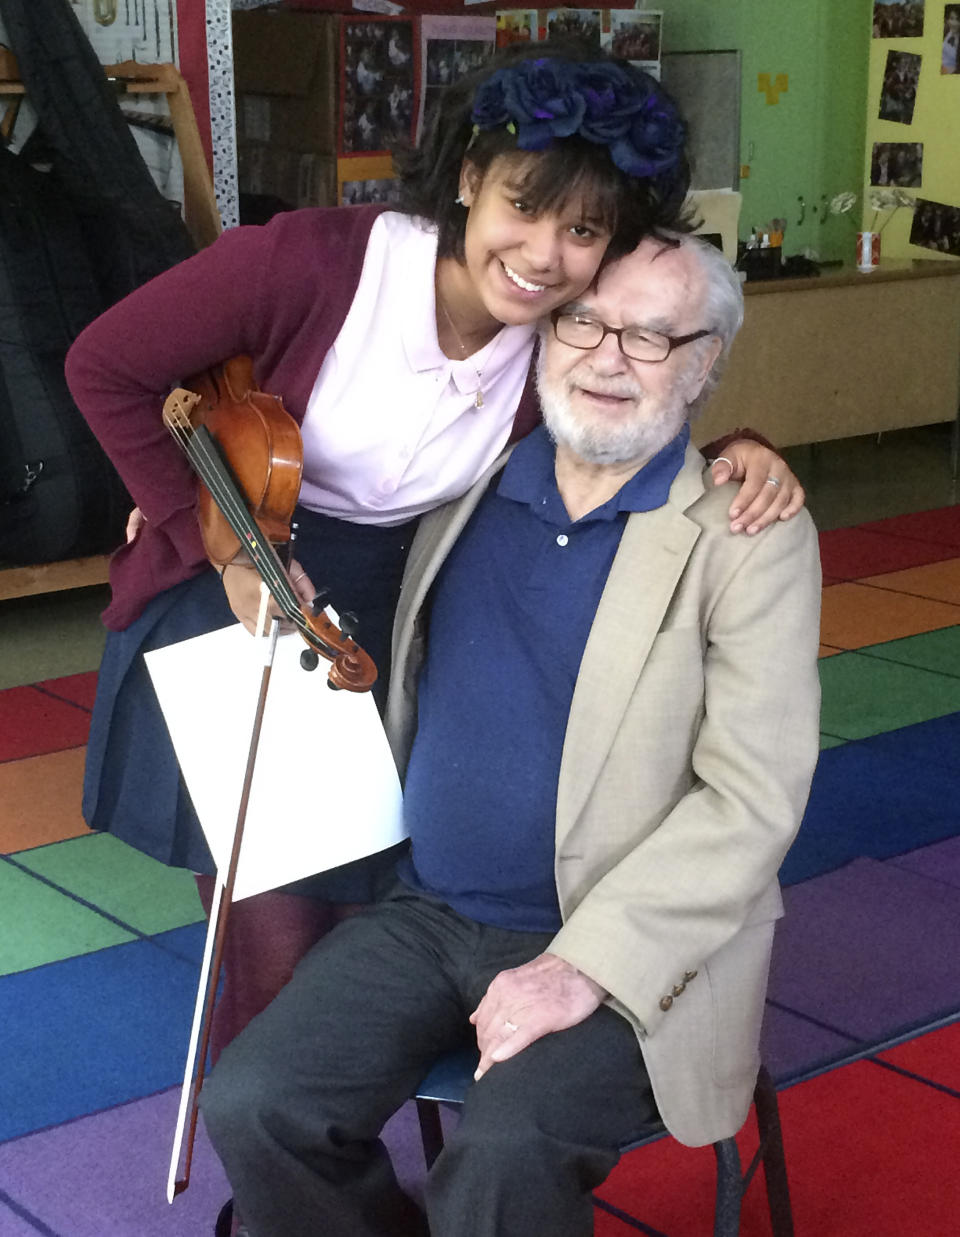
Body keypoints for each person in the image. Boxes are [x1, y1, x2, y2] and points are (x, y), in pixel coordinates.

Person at [64, 43, 804, 1064]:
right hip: (239, 593)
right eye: (522, 207)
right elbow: (104, 366)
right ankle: (275, 1187)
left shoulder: (555, 337)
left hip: (390, 627)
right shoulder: (312, 262)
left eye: (582, 229)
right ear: (467, 181)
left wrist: (740, 451)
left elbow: (634, 409)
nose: (544, 254)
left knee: (372, 940)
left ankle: (334, 1158)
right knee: (278, 950)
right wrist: (204, 532)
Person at [199, 231, 822, 1237]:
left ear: (708, 361)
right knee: (255, 1103)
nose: (609, 355)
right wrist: (181, 517)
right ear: (542, 333)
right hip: (431, 914)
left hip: (621, 946)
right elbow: (288, 504)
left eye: (657, 336)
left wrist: (583, 966)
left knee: (502, 1153)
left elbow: (753, 801)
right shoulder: (466, 486)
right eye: (584, 320)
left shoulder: (748, 536)